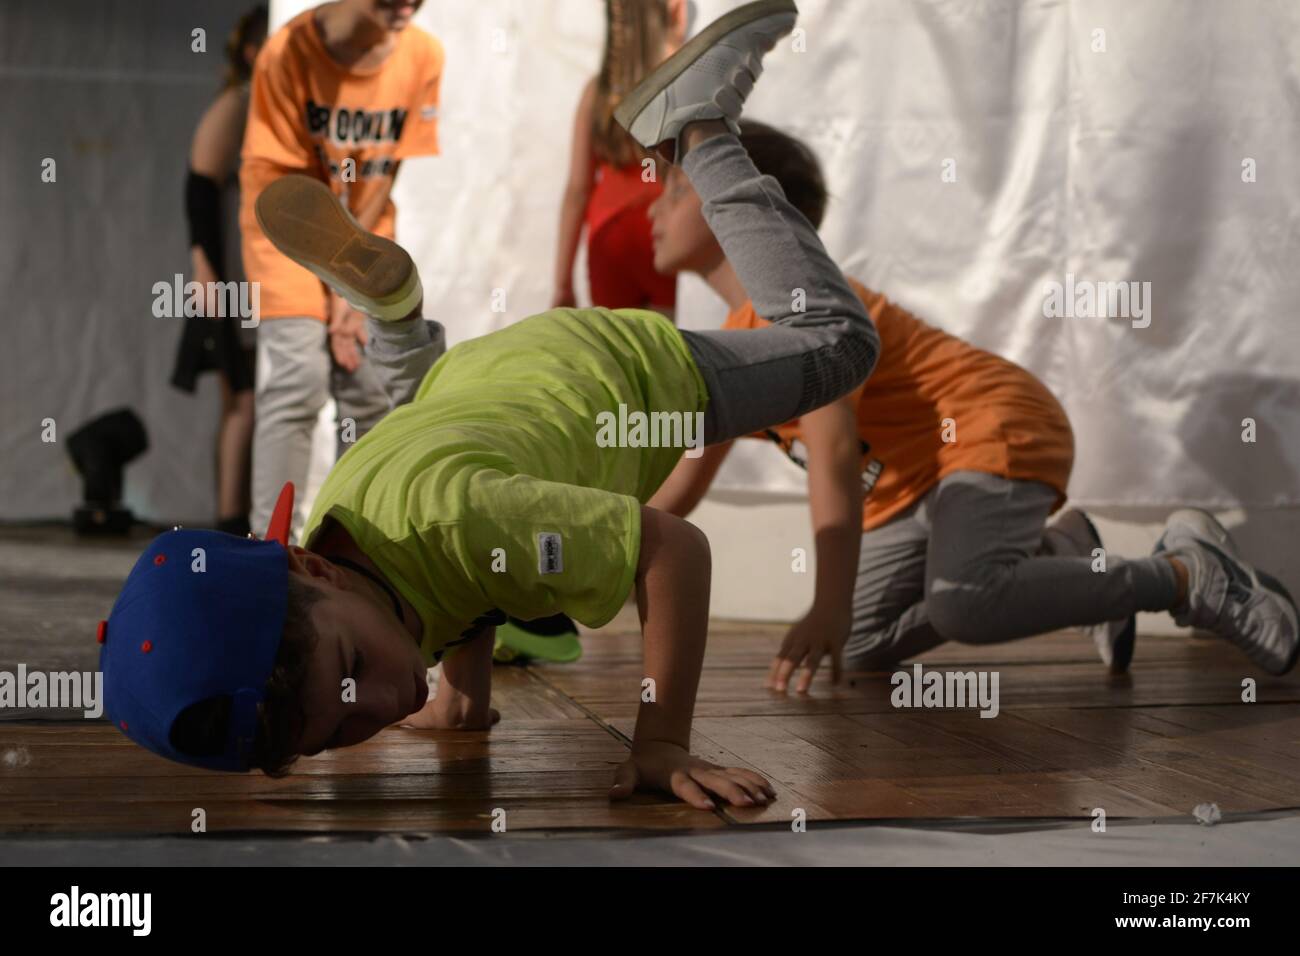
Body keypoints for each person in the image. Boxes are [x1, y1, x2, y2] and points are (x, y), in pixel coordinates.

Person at [643, 121, 1300, 691]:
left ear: (747, 205)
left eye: (676, 191)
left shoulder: (814, 304)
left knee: (964, 606)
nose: (653, 210)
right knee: (863, 645)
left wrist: (826, 602)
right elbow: (685, 478)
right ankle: (1064, 553)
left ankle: (1189, 575)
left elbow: (835, 451)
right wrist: (601, 540)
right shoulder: (736, 340)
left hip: (995, 424)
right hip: (920, 489)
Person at [240, 0, 444, 539]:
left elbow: (388, 167)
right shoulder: (287, 52)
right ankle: (271, 549)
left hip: (361, 232)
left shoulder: (423, 54)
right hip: (284, 228)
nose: (407, 6)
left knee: (368, 386)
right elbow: (292, 199)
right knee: (298, 381)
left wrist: (351, 284)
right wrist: (333, 295)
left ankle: (352, 547)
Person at [170, 5, 268, 537]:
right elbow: (199, 186)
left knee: (253, 398)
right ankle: (231, 522)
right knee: (242, 399)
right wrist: (204, 270)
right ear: (254, 50)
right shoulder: (241, 100)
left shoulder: (272, 102)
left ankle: (246, 519)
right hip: (231, 275)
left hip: (258, 274)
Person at [551, 0, 686, 315]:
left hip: (608, 241)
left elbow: (577, 191)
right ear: (675, 11)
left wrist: (562, 283)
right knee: (664, 353)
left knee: (620, 355)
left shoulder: (596, 93)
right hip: (664, 232)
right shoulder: (683, 87)